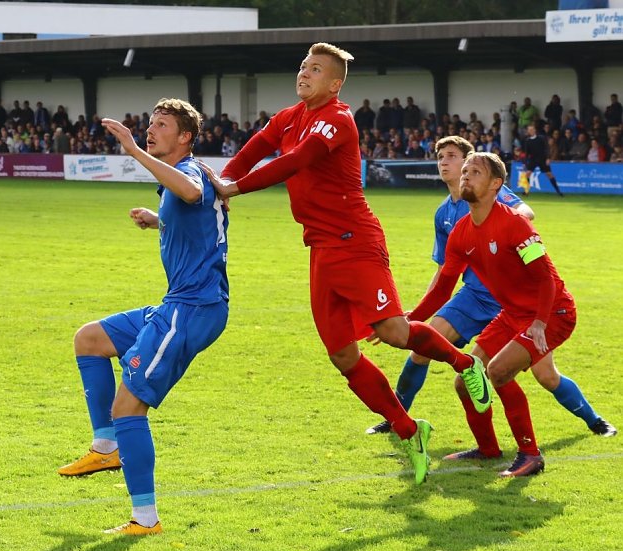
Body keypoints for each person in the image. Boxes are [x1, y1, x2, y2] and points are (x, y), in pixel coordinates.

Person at [203, 42, 493, 486]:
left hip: (356, 242)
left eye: (315, 69)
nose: (305, 73)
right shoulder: (288, 117)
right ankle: (409, 429)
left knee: (394, 333)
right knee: (342, 354)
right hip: (320, 250)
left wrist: (233, 189)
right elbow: (257, 146)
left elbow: (294, 161)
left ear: (334, 83)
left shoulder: (338, 119)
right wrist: (221, 180)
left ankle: (465, 365)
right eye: (303, 66)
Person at [366, 136, 614, 440]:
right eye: (440, 156)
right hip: (475, 297)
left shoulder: (492, 195)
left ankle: (593, 420)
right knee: (424, 348)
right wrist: (411, 318)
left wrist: (506, 233)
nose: (444, 162)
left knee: (546, 376)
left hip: (520, 302)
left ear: (470, 162)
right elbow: (444, 273)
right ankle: (397, 418)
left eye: (452, 156)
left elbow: (527, 215)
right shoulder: (445, 214)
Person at [57, 98, 229, 536]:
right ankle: (105, 446)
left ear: (185, 136)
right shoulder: (182, 179)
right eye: (150, 124)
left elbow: (193, 193)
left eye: (162, 124)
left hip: (192, 310)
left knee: (127, 407)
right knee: (90, 339)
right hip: (177, 304)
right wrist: (159, 221)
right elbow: (201, 217)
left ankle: (145, 520)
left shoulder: (190, 172)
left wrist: (135, 151)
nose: (152, 129)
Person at [409, 152, 601, 477]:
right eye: (465, 171)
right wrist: (410, 317)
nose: (466, 176)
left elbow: (544, 278)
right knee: (466, 380)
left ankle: (530, 454)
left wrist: (540, 322)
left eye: (475, 172)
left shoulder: (515, 224)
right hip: (513, 314)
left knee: (497, 372)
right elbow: (443, 288)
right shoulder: (460, 232)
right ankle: (487, 450)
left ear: (496, 184)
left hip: (553, 312)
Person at [523, 123, 564, 196]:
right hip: (533, 159)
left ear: (535, 130)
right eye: (529, 130)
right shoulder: (527, 141)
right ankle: (526, 191)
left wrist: (548, 158)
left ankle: (558, 191)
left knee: (549, 174)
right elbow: (527, 153)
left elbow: (546, 148)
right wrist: (525, 163)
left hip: (542, 158)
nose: (531, 131)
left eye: (532, 129)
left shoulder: (541, 138)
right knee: (527, 174)